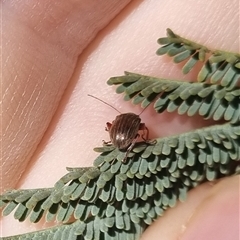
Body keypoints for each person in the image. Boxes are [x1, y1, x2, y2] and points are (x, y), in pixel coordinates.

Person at [1, 0, 239, 239]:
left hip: (121, 139)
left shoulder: (125, 123)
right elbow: (137, 130)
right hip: (123, 139)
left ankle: (124, 147)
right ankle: (126, 147)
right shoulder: (134, 124)